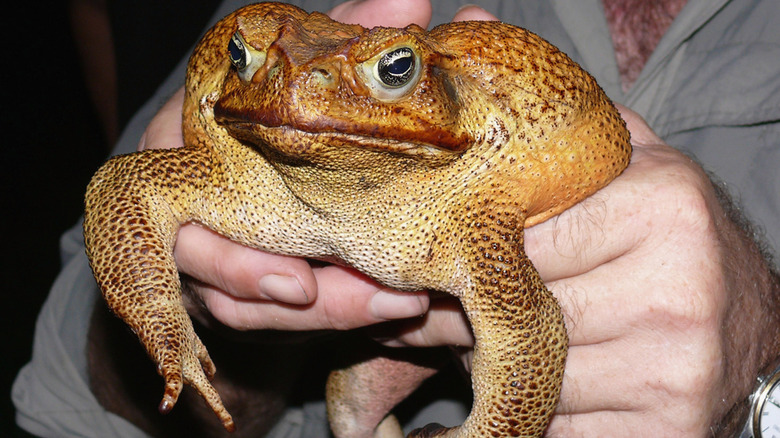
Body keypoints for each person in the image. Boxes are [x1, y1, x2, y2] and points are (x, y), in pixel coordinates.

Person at [13, 0, 780, 437]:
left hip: (448, 185)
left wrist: (763, 377)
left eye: (392, 72)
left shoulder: (467, 207)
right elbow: (123, 191)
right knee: (353, 402)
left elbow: (527, 330)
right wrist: (168, 310)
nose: (308, 88)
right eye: (254, 60)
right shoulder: (235, 171)